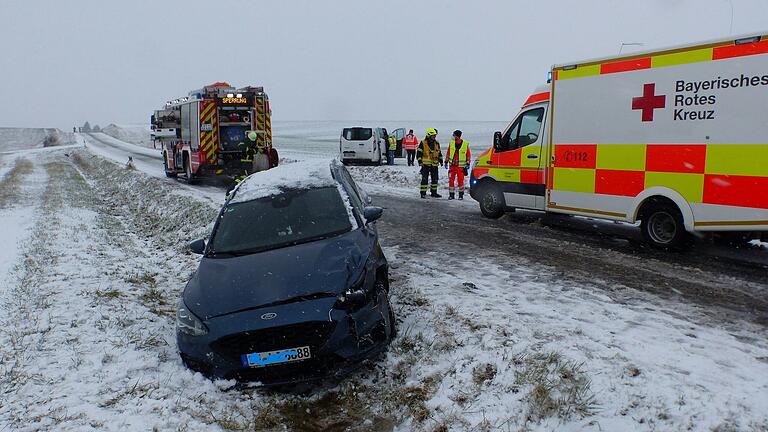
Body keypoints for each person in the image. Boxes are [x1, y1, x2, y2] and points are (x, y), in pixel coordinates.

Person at [444, 130, 471, 200]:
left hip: (460, 167)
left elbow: (468, 154)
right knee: (451, 180)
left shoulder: (465, 144)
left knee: (460, 181)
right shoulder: (451, 143)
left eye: (454, 135)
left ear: (457, 136)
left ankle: (461, 195)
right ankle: (451, 195)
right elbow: (448, 153)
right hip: (452, 166)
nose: (453, 136)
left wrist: (468, 163)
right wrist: (446, 161)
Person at [416, 128, 443, 198]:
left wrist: (441, 160)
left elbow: (439, 152)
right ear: (429, 135)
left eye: (435, 135)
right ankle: (423, 193)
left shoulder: (437, 143)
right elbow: (419, 153)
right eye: (433, 135)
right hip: (425, 164)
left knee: (435, 179)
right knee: (424, 179)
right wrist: (420, 161)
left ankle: (434, 193)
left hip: (434, 164)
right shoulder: (423, 143)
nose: (434, 137)